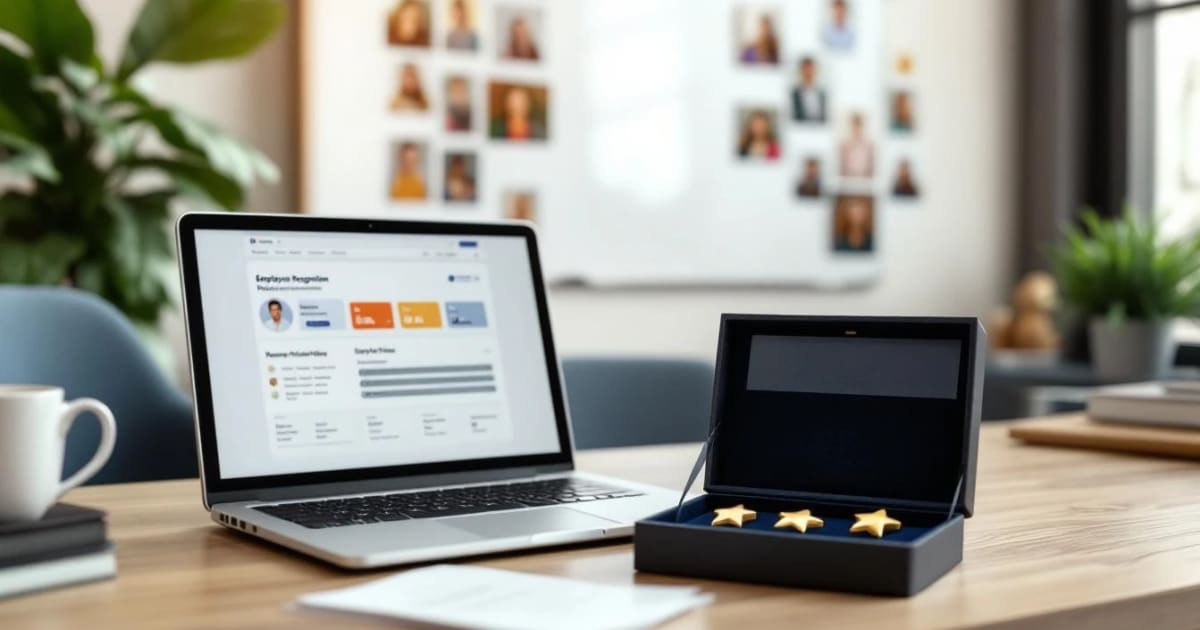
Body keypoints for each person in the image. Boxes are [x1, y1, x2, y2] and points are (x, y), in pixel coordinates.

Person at [791, 57, 826, 122]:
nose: (809, 73)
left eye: (811, 70)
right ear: (801, 71)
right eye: (806, 70)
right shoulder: (794, 93)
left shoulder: (822, 94)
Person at [839, 112, 874, 177]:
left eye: (859, 125)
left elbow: (871, 167)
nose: (857, 128)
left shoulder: (869, 145)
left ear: (862, 126)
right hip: (848, 180)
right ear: (851, 126)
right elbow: (842, 167)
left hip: (864, 180)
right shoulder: (845, 145)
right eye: (854, 125)